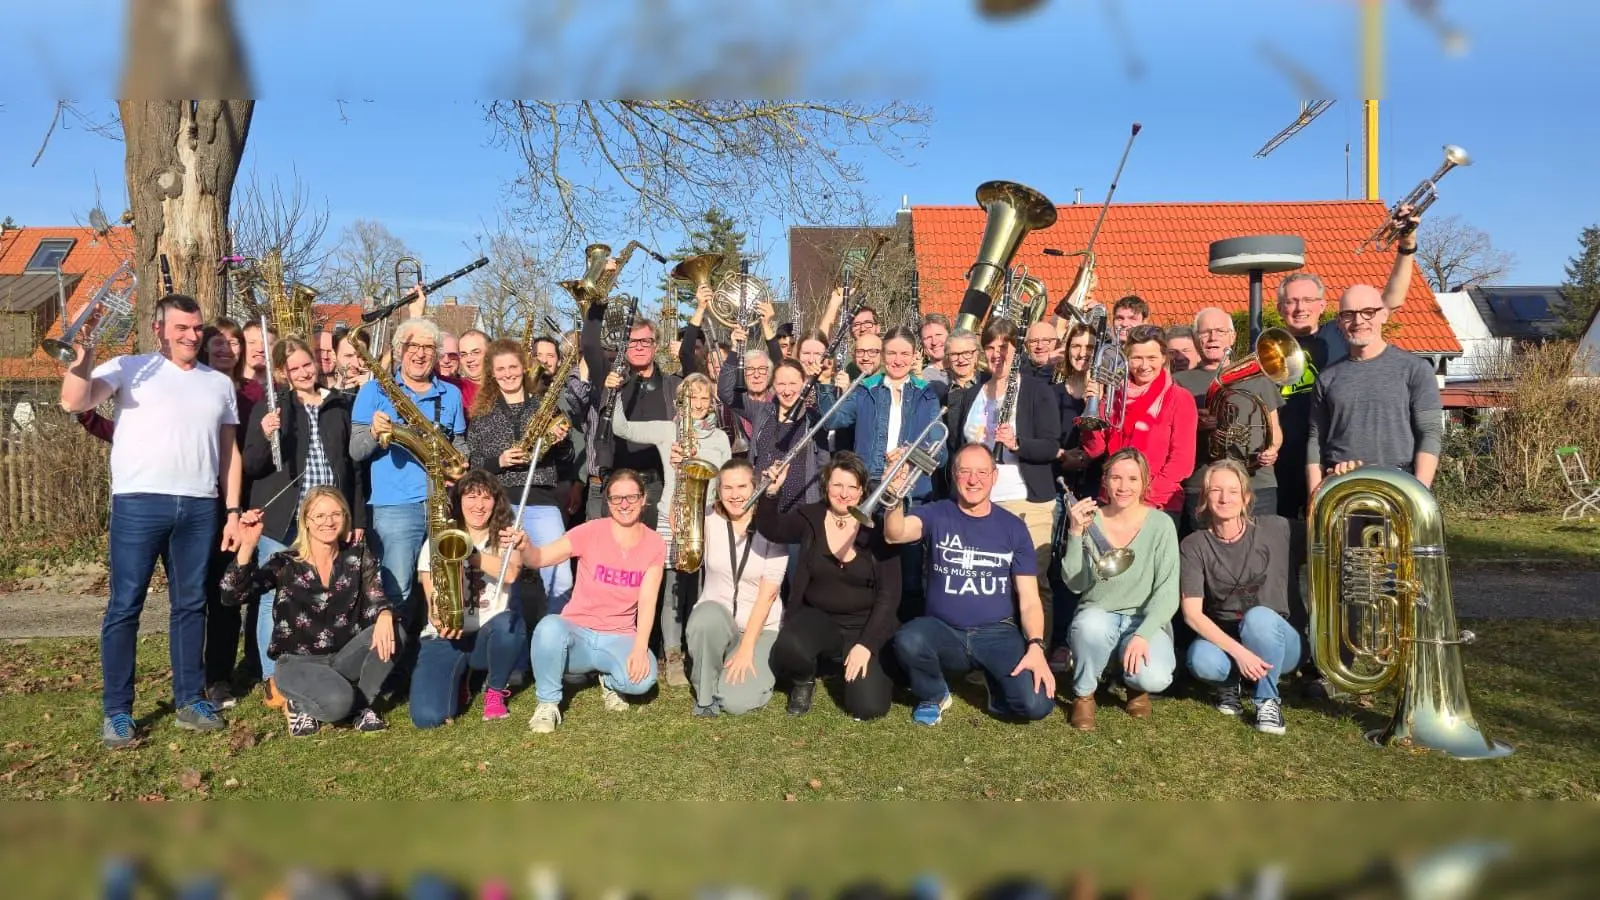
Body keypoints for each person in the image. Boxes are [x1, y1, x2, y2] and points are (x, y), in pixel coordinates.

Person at [60, 294, 243, 747]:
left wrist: (233, 510)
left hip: (200, 506)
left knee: (190, 606)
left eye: (197, 328)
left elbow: (230, 453)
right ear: (159, 327)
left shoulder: (218, 384)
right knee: (125, 607)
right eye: (182, 327)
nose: (191, 335)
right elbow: (72, 401)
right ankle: (117, 711)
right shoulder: (128, 367)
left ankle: (188, 699)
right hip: (139, 503)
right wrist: (81, 364)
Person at [886, 443, 1055, 725]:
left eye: (981, 472)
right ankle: (935, 694)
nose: (973, 480)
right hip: (944, 629)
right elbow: (895, 534)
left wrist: (1036, 646)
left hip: (997, 633)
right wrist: (893, 495)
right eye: (964, 471)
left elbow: (1028, 598)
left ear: (994, 476)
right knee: (909, 639)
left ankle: (995, 686)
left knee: (1036, 706)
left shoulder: (1013, 527)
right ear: (953, 475)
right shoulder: (936, 512)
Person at [1272, 204, 1421, 517]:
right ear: (1280, 307)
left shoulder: (1341, 331)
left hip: (1333, 464)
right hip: (1279, 467)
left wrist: (1406, 247)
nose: (1300, 307)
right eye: (1291, 301)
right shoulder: (1269, 346)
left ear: (1322, 304)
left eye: (1308, 300)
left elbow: (1391, 300)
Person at [242, 336, 366, 710]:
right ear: (282, 373)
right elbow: (252, 465)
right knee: (272, 599)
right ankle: (272, 677)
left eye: (306, 364)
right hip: (284, 518)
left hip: (329, 518)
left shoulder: (338, 405)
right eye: (293, 368)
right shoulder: (272, 407)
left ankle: (324, 666)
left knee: (330, 593)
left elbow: (354, 468)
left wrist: (356, 516)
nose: (303, 372)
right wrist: (266, 434)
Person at [220, 487, 399, 736]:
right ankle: (301, 702)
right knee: (337, 703)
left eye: (336, 514)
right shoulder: (285, 562)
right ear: (305, 520)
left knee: (394, 631)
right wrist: (248, 546)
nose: (328, 522)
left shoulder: (357, 556)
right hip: (297, 662)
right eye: (320, 516)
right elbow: (231, 596)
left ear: (345, 518)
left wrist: (385, 615)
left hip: (343, 657)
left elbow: (376, 596)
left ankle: (361, 706)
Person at [509, 469, 665, 734]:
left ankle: (610, 680)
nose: (624, 504)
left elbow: (648, 601)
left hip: (619, 634)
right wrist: (525, 547)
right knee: (548, 627)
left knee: (643, 681)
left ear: (643, 499)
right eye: (617, 499)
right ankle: (548, 703)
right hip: (578, 632)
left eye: (631, 497)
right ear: (607, 501)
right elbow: (539, 558)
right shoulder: (591, 531)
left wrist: (640, 648)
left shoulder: (655, 543)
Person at [756, 452, 900, 720]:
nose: (844, 494)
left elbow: (889, 597)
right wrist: (772, 492)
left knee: (869, 707)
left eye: (851, 487)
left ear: (862, 490)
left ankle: (856, 665)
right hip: (819, 619)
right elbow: (772, 528)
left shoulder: (879, 529)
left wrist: (866, 644)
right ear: (826, 486)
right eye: (837, 485)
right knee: (789, 646)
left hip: (863, 626)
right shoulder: (811, 516)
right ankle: (804, 679)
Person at [612, 372, 732, 686]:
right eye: (694, 397)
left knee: (706, 587)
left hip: (708, 517)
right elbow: (621, 428)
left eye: (706, 398)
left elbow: (726, 481)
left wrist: (700, 466)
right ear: (682, 399)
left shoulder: (720, 438)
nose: (700, 404)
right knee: (671, 592)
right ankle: (674, 654)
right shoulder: (669, 430)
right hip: (671, 516)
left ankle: (701, 650)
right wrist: (612, 392)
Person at [350, 317, 469, 623]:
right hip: (393, 508)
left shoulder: (451, 395)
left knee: (443, 588)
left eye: (428, 347)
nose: (420, 353)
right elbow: (356, 450)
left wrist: (461, 466)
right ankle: (393, 666)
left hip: (441, 504)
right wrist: (375, 433)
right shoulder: (375, 390)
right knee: (397, 591)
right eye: (412, 346)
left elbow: (460, 444)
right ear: (400, 350)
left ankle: (434, 656)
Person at [823, 325, 947, 617]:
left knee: (910, 573)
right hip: (869, 485)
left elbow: (938, 453)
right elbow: (832, 419)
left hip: (911, 492)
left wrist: (909, 454)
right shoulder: (865, 389)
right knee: (868, 569)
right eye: (891, 353)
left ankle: (905, 640)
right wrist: (826, 382)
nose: (897, 359)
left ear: (915, 355)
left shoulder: (926, 395)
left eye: (905, 353)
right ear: (882, 355)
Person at [1061, 448, 1180, 730]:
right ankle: (1085, 694)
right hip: (1099, 613)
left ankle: (1136, 687)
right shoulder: (1091, 519)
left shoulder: (1161, 525)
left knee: (1156, 677)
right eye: (1116, 477)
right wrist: (1076, 533)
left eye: (1132, 479)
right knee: (1090, 627)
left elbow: (1167, 591)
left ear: (1144, 483)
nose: (1123, 487)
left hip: (1142, 619)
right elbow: (1075, 583)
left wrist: (1143, 634)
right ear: (1105, 481)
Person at [948, 319, 1062, 606]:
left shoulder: (1037, 391)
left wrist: (1017, 444)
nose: (996, 353)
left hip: (1025, 500)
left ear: (1017, 349)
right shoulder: (973, 393)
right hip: (979, 501)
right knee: (984, 580)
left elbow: (1051, 446)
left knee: (1032, 584)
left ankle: (1037, 647)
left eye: (1004, 346)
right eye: (989, 347)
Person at [1180, 460, 1298, 735]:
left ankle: (1267, 699)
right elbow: (1192, 614)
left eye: (1233, 491)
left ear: (1246, 498)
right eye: (1216, 490)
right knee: (1200, 659)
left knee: (1257, 618)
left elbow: (1328, 539)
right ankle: (1230, 683)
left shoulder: (1277, 528)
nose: (1224, 498)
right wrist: (1241, 654)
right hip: (1230, 640)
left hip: (1280, 642)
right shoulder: (1194, 544)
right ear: (1205, 498)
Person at [465, 339, 576, 614]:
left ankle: (553, 635)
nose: (508, 374)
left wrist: (561, 442)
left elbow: (567, 459)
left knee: (560, 577)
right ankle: (509, 641)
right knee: (506, 580)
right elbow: (474, 464)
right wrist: (499, 461)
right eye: (500, 369)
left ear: (524, 368)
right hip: (502, 504)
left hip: (541, 500)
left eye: (513, 367)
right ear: (492, 372)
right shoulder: (482, 415)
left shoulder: (545, 407)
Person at [410, 470, 526, 727]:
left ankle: (494, 692)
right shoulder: (439, 539)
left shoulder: (507, 534)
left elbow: (511, 573)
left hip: (488, 634)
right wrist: (439, 620)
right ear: (459, 500)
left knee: (511, 624)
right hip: (447, 636)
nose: (479, 505)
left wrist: (469, 554)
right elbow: (432, 600)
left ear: (496, 502)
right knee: (428, 718)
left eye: (486, 498)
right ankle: (461, 679)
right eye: (471, 496)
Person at [1306, 284, 1443, 494]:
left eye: (1368, 312)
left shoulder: (1415, 369)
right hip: (1340, 486)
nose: (1358, 321)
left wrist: (1419, 492)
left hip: (1400, 486)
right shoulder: (1327, 377)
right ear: (1340, 322)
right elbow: (1316, 439)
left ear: (1384, 316)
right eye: (1349, 314)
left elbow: (1430, 433)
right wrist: (1313, 498)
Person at [683, 460, 788, 716]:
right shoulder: (707, 517)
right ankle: (705, 696)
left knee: (736, 703)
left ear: (755, 487)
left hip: (760, 629)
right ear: (718, 491)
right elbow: (684, 549)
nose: (735, 495)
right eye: (727, 487)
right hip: (718, 622)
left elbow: (768, 594)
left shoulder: (773, 526)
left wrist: (746, 649)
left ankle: (722, 670)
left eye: (742, 486)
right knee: (706, 615)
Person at [1174, 308, 1283, 529]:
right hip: (1203, 485)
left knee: (1261, 551)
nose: (1213, 337)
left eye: (1221, 331)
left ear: (1232, 337)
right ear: (1195, 338)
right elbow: (1170, 434)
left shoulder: (1259, 379)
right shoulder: (1179, 382)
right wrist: (1195, 425)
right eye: (1205, 332)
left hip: (1257, 482)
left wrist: (1273, 449)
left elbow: (1274, 428)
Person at [1080, 325, 1197, 526]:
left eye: (1151, 358)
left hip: (1158, 505)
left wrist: (1141, 498)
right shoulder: (1114, 397)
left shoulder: (1179, 399)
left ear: (1163, 358)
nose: (1144, 365)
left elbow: (1181, 463)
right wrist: (1092, 407)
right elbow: (1095, 449)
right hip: (1113, 501)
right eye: (1136, 358)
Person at [582, 296, 681, 524]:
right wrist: (599, 300)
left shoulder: (673, 385)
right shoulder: (611, 378)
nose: (639, 347)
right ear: (623, 347)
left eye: (645, 341)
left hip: (659, 483)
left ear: (655, 346)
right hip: (619, 481)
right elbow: (589, 345)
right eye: (632, 342)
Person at [919, 314, 950, 384]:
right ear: (922, 344)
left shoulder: (967, 368)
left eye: (938, 335)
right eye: (928, 338)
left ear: (950, 336)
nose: (934, 342)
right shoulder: (923, 380)